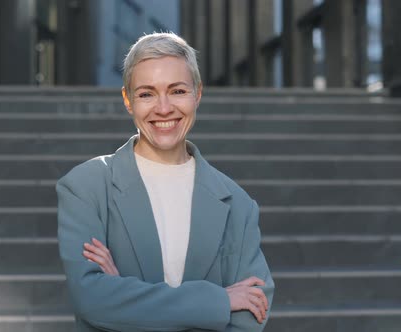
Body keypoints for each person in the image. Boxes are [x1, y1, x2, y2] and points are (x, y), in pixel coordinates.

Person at [57, 32, 274, 332]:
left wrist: (125, 296)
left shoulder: (238, 204)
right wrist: (218, 301)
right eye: (147, 93)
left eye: (177, 91)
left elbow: (251, 314)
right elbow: (93, 301)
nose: (163, 108)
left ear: (197, 94)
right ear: (128, 100)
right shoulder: (85, 187)